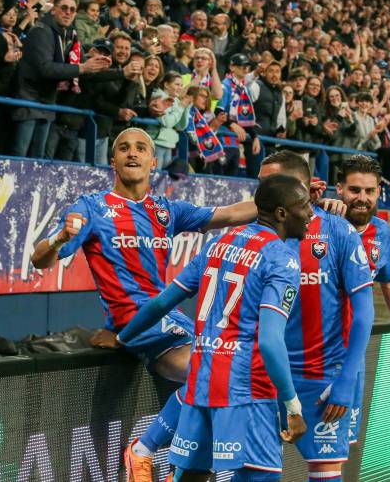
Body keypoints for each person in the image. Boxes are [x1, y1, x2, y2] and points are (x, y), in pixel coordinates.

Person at [30, 128, 269, 482]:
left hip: (174, 320)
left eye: (141, 148)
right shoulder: (92, 207)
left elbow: (232, 214)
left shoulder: (165, 210)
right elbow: (40, 260)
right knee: (214, 371)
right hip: (137, 324)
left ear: (153, 162)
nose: (132, 153)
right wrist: (60, 237)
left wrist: (291, 203)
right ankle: (141, 449)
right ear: (112, 161)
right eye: (124, 148)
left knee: (217, 410)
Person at [116, 172, 311, 481]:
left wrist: (123, 337)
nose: (311, 213)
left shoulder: (220, 242)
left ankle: (144, 449)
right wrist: (292, 405)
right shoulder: (281, 259)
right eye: (304, 205)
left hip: (201, 385)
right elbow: (271, 342)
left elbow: (160, 303)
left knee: (192, 477)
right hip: (247, 392)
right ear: (282, 213)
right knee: (258, 477)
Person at [258, 151, 374, 482]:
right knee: (254, 471)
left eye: (269, 182)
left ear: (300, 187)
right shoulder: (254, 234)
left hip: (320, 379)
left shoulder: (339, 232)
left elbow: (365, 311)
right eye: (260, 182)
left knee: (325, 474)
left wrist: (346, 380)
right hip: (260, 376)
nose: (260, 191)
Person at [336, 154, 390, 447]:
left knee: (343, 445)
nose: (362, 198)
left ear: (379, 193)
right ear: (339, 189)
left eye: (369, 191)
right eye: (354, 190)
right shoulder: (315, 223)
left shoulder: (382, 232)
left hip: (352, 355)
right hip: (307, 353)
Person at [9, 0, 111, 157]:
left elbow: (86, 69)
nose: (68, 12)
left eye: (72, 9)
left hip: (47, 102)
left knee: (37, 159)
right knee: (19, 155)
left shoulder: (69, 35)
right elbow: (46, 68)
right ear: (53, 10)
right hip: (28, 100)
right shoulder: (41, 31)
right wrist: (83, 67)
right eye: (64, 8)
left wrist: (120, 72)